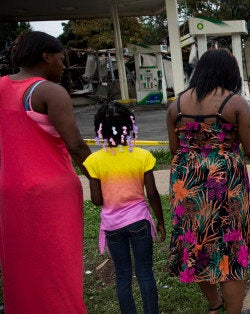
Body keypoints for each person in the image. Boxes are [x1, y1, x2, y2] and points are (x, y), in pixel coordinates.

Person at [166, 48, 250, 314]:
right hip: (224, 183)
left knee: (196, 242)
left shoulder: (175, 105)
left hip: (186, 181)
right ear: (229, 73)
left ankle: (214, 305)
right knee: (229, 247)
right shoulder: (234, 104)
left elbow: (174, 150)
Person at [0, 31, 91, 312]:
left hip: (9, 190)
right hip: (51, 195)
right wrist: (101, 178)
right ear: (46, 56)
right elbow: (75, 144)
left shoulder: (1, 86)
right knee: (58, 265)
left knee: (20, 266)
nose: (63, 67)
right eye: (61, 60)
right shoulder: (49, 91)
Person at [83, 102, 166, 314]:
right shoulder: (142, 156)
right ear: (130, 126)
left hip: (112, 226)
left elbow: (97, 200)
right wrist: (160, 222)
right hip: (139, 222)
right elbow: (153, 194)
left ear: (99, 128)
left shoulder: (93, 161)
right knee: (145, 272)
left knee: (122, 275)